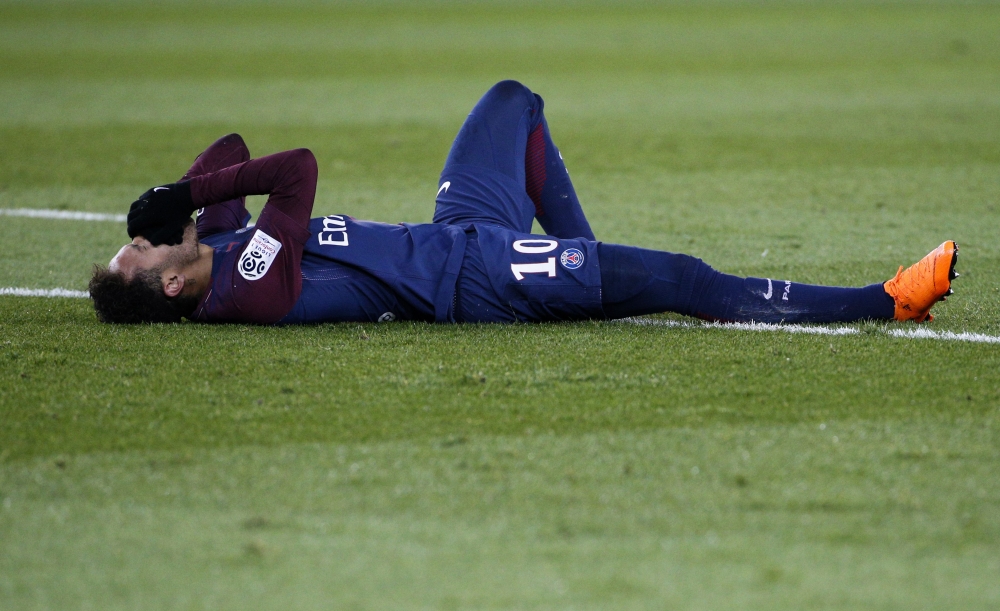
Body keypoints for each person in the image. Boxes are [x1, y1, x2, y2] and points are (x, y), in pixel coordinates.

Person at [90, 80, 958, 326]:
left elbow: (230, 154)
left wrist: (180, 199)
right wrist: (189, 198)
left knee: (513, 102)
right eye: (136, 252)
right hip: (478, 280)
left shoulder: (214, 247)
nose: (137, 240)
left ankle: (590, 263)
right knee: (683, 279)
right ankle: (887, 300)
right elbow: (294, 171)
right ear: (169, 287)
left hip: (460, 235)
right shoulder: (244, 288)